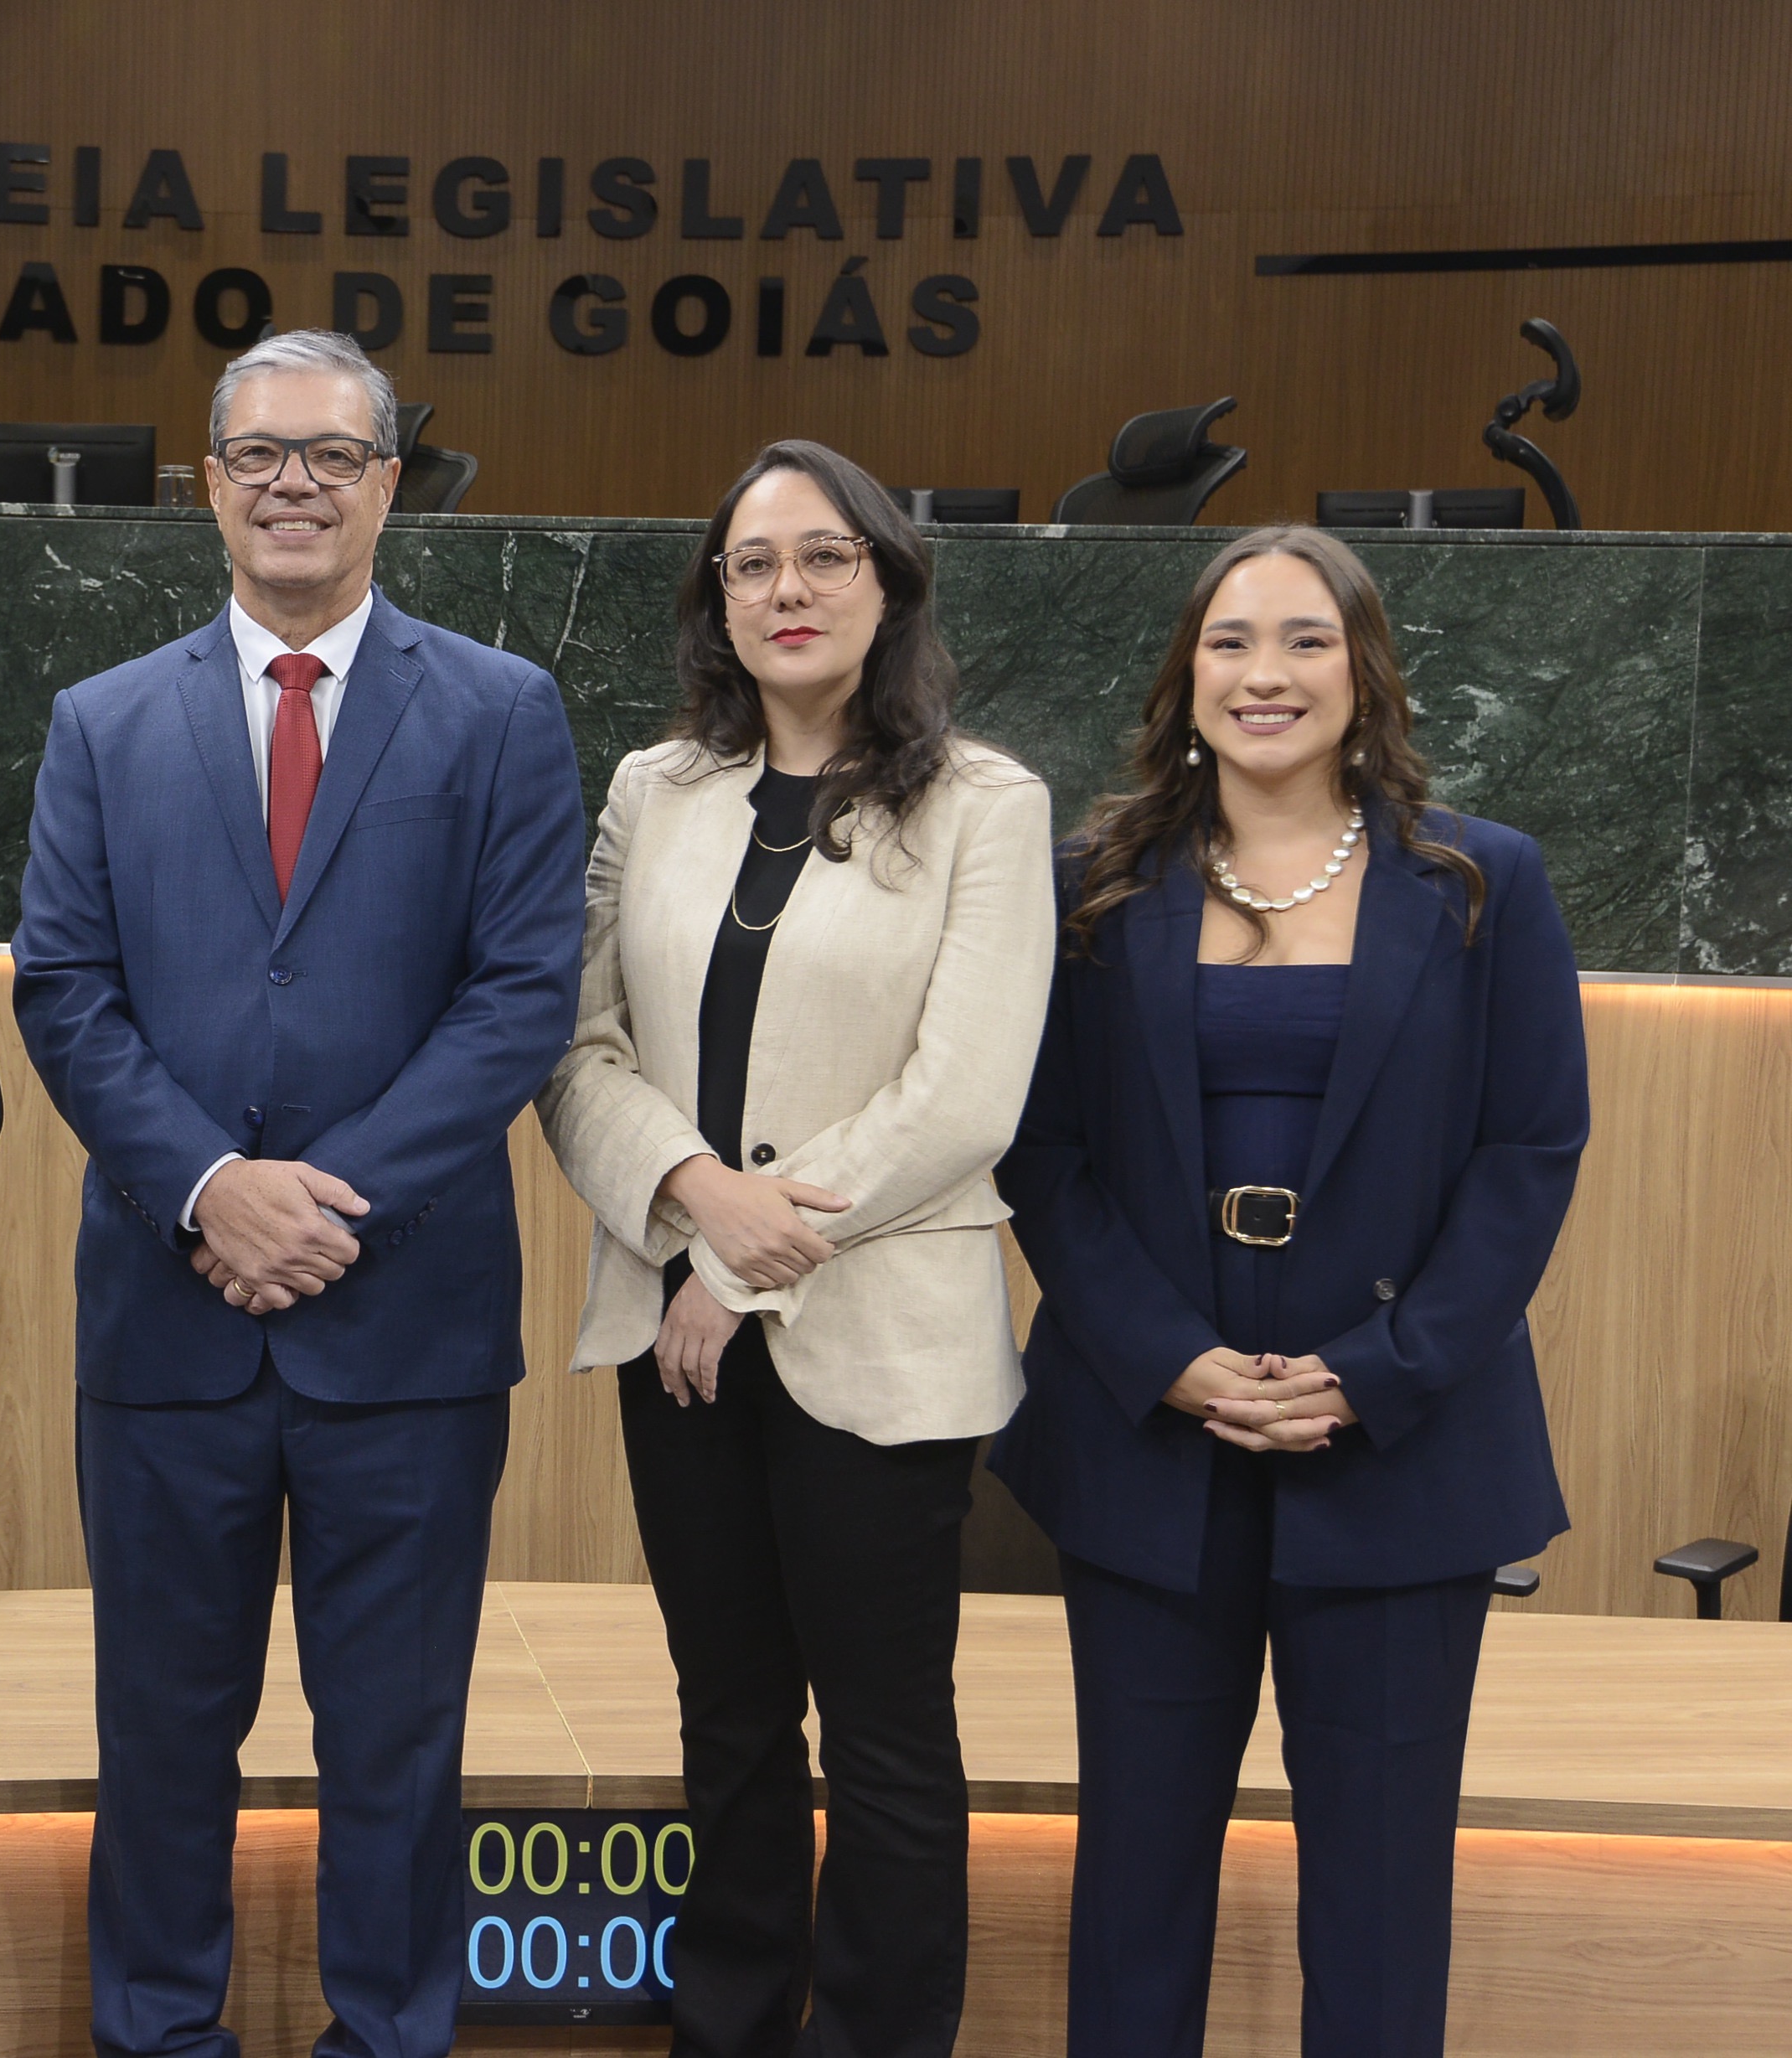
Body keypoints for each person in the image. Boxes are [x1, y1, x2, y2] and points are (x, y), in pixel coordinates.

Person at [12, 328, 585, 2058]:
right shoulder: (101, 722)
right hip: (165, 1320)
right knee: (160, 1736)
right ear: (209, 485)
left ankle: (389, 2035)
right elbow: (66, 991)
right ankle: (158, 2034)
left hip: (403, 1327)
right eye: (259, 454)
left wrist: (316, 1206)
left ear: (388, 485)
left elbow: (519, 999)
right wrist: (207, 1189)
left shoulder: (500, 710)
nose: (294, 486)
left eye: (333, 455)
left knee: (396, 1743)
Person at [990, 526, 1585, 2056]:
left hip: (1398, 1449)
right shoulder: (1089, 887)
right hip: (1151, 1441)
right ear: (1187, 677)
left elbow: (1529, 1154)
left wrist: (1379, 1371)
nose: (1269, 674)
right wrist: (1165, 1356)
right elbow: (1043, 1154)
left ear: (1364, 673)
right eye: (1233, 641)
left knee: (1381, 1901)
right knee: (1134, 1884)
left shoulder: (1481, 881)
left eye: (1308, 640)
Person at [538, 441, 1054, 2057]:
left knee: (887, 1740)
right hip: (672, 1335)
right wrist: (692, 1192)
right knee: (733, 1725)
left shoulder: (986, 804)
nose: (787, 589)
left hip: (878, 1338)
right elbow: (577, 1050)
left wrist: (732, 1264)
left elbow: (962, 1097)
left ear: (889, 582)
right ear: (719, 600)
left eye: (825, 556)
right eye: (751, 563)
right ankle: (732, 2029)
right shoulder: (652, 790)